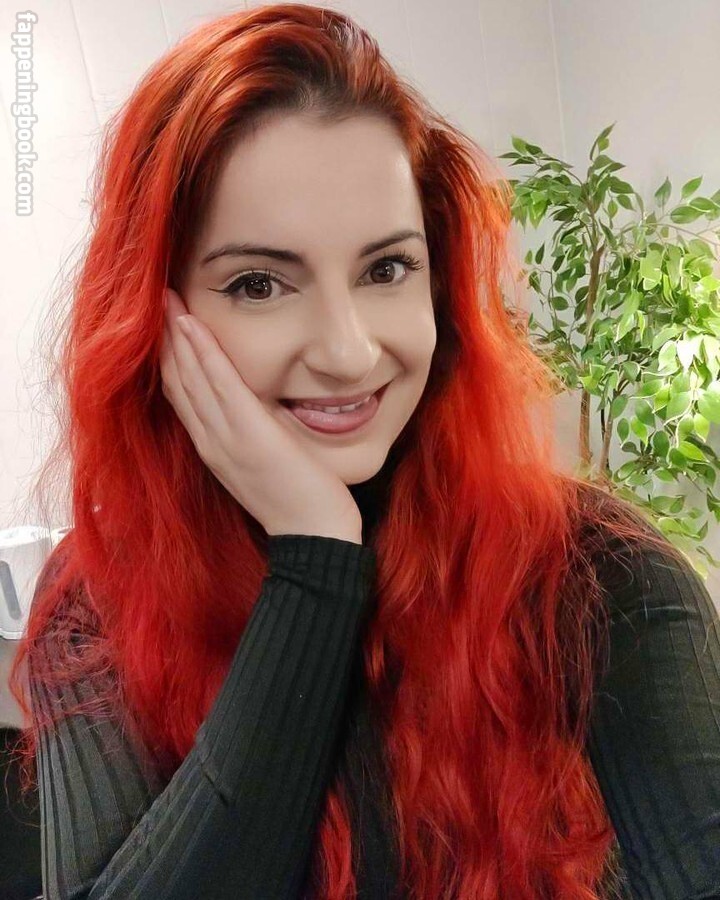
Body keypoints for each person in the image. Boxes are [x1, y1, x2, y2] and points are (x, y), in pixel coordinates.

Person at [7, 5, 720, 899]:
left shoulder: (599, 574)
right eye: (259, 284)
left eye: (386, 269)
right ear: (156, 315)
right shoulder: (95, 606)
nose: (348, 352)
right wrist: (313, 562)